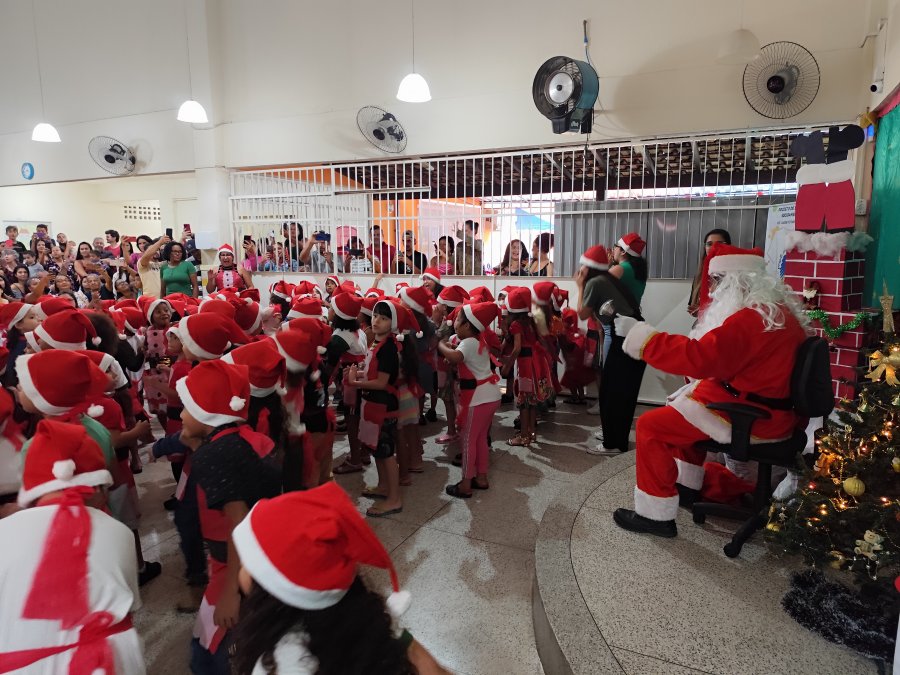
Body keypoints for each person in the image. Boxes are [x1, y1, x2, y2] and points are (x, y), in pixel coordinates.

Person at [610, 244, 809, 538]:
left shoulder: (751, 319)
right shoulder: (776, 313)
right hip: (769, 409)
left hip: (754, 417)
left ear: (735, 281)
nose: (713, 291)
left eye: (717, 281)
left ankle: (655, 516)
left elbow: (699, 357)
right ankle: (687, 488)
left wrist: (643, 337)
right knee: (683, 410)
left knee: (652, 426)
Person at [231, 484, 449, 675]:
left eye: (247, 561)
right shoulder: (370, 623)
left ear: (271, 589)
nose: (241, 567)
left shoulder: (283, 663)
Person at [0, 419, 145, 673]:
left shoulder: (5, 531)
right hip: (108, 664)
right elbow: (128, 606)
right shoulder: (118, 533)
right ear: (96, 487)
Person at [175, 360, 281, 672]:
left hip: (234, 564)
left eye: (187, 407)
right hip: (262, 554)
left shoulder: (213, 455)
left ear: (206, 411)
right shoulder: (241, 438)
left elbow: (239, 523)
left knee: (210, 653)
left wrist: (231, 592)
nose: (181, 415)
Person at [576, 244, 647, 457]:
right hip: (634, 336)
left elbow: (582, 313)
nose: (580, 270)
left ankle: (612, 444)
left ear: (588, 267)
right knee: (622, 394)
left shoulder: (595, 283)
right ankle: (616, 439)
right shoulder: (607, 279)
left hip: (622, 338)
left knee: (611, 394)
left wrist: (579, 286)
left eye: (582, 266)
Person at [438, 302, 501, 498]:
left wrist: (441, 345)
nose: (454, 322)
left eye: (458, 319)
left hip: (478, 398)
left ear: (467, 325)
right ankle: (481, 477)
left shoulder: (468, 342)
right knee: (480, 438)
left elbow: (455, 357)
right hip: (490, 395)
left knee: (467, 440)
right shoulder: (478, 340)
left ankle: (465, 483)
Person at [349, 300, 404, 517]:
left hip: (384, 407)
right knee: (377, 449)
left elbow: (382, 383)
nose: (377, 321)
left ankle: (394, 499)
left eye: (384, 318)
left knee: (387, 453)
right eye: (374, 316)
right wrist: (358, 374)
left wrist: (355, 383)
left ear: (393, 322)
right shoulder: (377, 344)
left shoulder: (388, 348)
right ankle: (383, 486)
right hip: (373, 404)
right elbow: (373, 373)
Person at [687, 228, 732, 317]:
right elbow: (694, 308)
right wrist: (698, 311)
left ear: (729, 246)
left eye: (719, 244)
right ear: (705, 247)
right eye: (709, 244)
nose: (713, 247)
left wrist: (707, 310)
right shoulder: (699, 276)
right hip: (704, 324)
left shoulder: (736, 274)